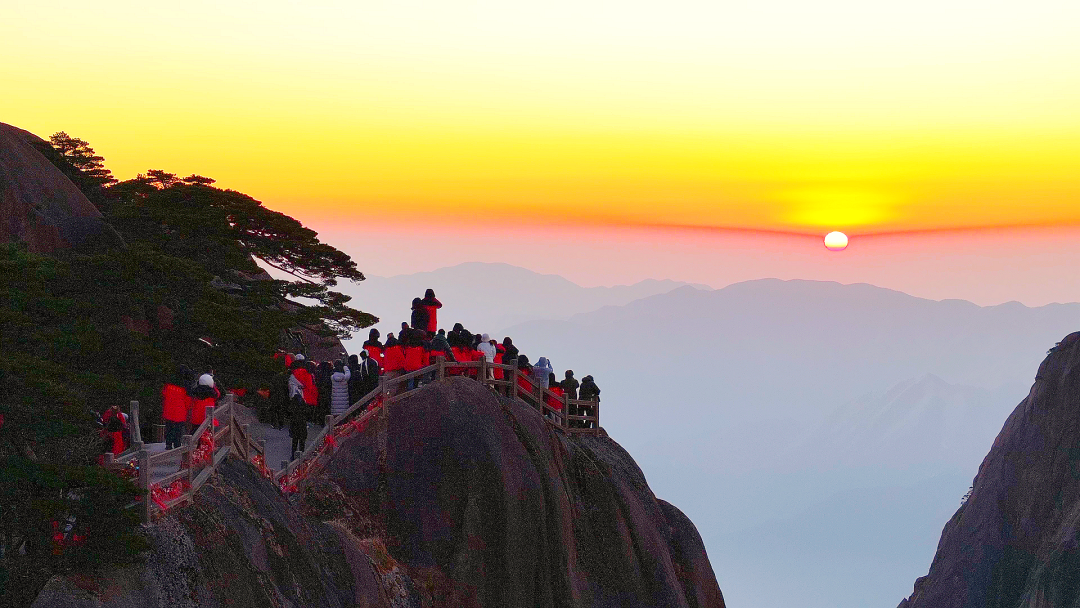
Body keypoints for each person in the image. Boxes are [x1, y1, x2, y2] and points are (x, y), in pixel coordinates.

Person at [162, 365, 195, 449]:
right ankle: (177, 445)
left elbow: (164, 394)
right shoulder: (186, 386)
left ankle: (168, 444)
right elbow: (188, 401)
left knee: (169, 427)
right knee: (178, 429)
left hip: (168, 409)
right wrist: (188, 409)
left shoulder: (169, 383)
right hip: (180, 411)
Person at [287, 360, 309, 456]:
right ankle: (302, 454)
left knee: (295, 438)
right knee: (302, 438)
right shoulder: (305, 375)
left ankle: (293, 454)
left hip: (295, 419)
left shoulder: (292, 378)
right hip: (302, 419)